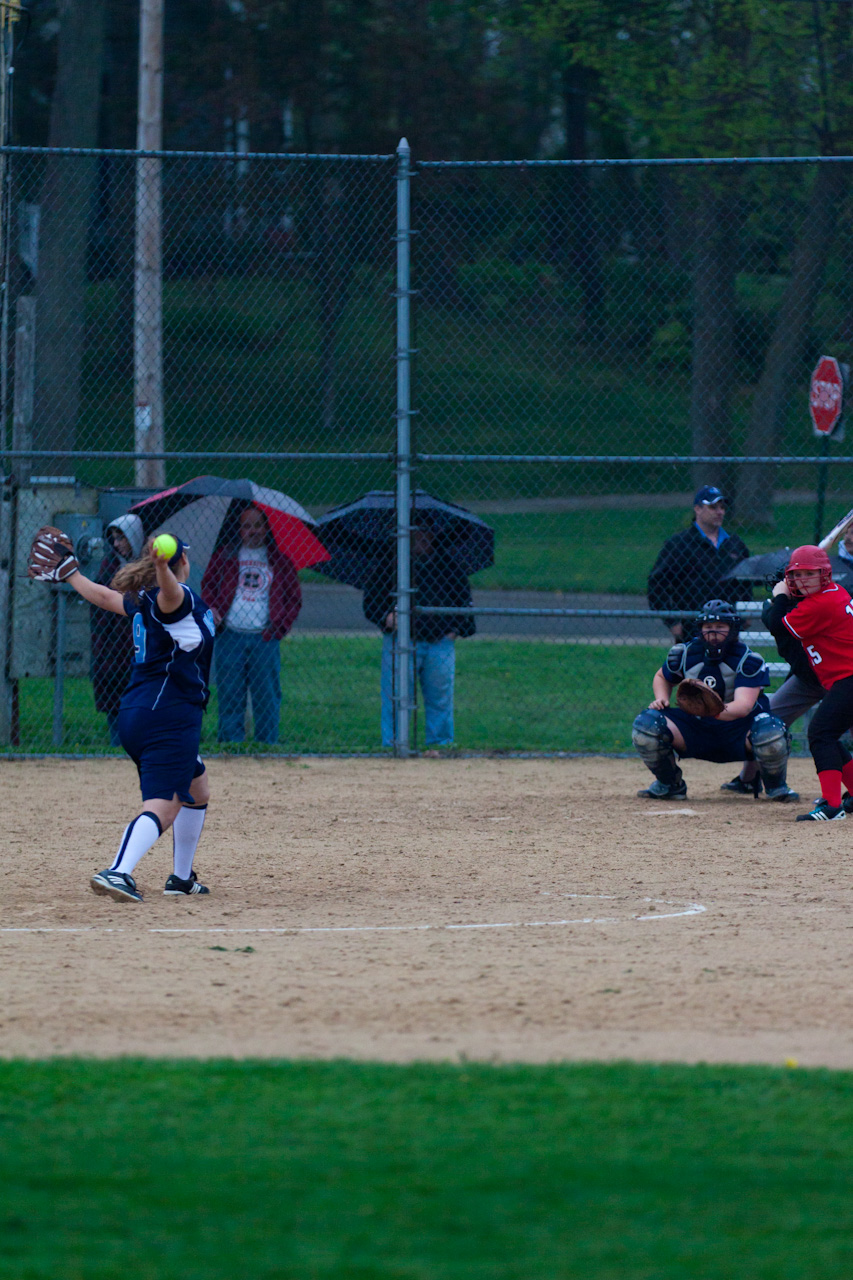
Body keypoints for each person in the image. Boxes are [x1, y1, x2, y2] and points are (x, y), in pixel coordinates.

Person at [28, 527, 216, 902]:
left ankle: (181, 879)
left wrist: (72, 574)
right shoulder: (172, 598)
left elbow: (104, 596)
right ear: (182, 561)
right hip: (168, 715)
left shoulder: (144, 599)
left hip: (139, 710)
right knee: (165, 805)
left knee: (197, 787)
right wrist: (162, 568)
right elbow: (170, 593)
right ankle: (118, 871)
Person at [632, 599, 796, 802]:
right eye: (708, 627)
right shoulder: (686, 653)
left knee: (770, 730)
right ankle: (670, 785)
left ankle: (775, 787)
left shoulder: (748, 660)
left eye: (720, 627)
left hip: (737, 730)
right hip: (696, 728)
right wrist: (662, 699)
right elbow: (662, 677)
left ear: (732, 629)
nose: (713, 632)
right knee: (647, 725)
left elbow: (743, 707)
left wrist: (708, 709)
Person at [362, 519, 476, 749]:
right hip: (400, 641)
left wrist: (454, 631)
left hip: (439, 642)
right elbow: (371, 603)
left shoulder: (448, 567)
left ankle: (440, 745)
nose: (422, 537)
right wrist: (386, 618)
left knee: (440, 699)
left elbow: (465, 606)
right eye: (415, 532)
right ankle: (395, 745)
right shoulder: (391, 565)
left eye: (426, 532)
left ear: (434, 535)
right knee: (396, 696)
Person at [201, 504, 301, 746]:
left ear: (266, 528)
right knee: (230, 693)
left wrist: (279, 628)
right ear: (239, 530)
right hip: (230, 635)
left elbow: (294, 598)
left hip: (264, 637)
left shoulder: (279, 560)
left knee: (266, 695)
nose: (253, 531)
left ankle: (267, 744)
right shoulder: (226, 556)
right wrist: (212, 609)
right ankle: (231, 744)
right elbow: (208, 586)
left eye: (258, 525)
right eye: (247, 526)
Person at [771, 545, 853, 822]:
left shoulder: (821, 603)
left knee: (820, 734)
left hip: (849, 678)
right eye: (797, 575)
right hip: (844, 678)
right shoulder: (834, 592)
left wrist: (778, 596)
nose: (802, 580)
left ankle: (832, 806)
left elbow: (779, 626)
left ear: (824, 575)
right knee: (828, 734)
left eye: (810, 574)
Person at [647, 485, 751, 641]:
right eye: (713, 507)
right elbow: (657, 584)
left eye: (722, 507)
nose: (719, 512)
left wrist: (746, 612)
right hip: (692, 626)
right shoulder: (679, 544)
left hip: (729, 626)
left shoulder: (734, 543)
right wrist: (672, 621)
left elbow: (745, 581)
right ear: (698, 509)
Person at [90, 514, 144, 746]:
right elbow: (100, 612)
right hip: (113, 650)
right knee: (116, 705)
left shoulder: (148, 569)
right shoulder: (109, 567)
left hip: (140, 647)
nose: (116, 543)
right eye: (114, 538)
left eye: (122, 538)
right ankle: (118, 746)